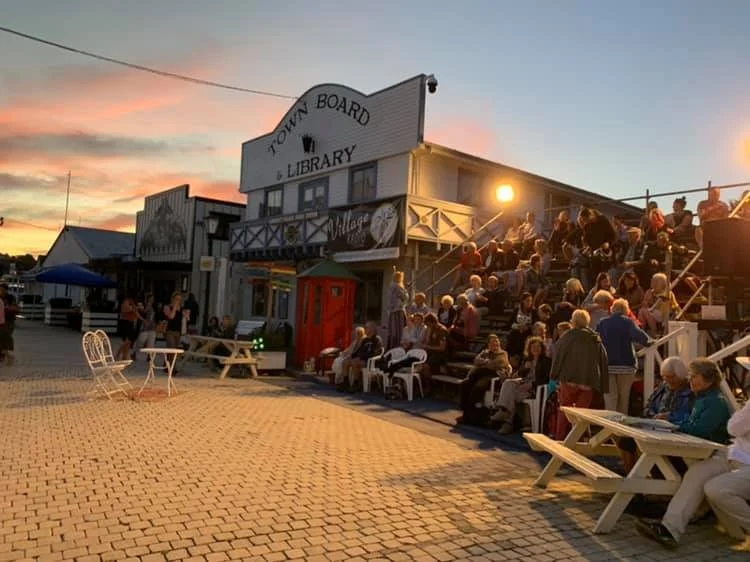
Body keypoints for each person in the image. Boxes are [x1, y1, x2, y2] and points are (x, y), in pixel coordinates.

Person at [635, 358, 734, 549]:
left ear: (708, 379)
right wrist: (674, 423)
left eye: (695, 376)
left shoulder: (716, 402)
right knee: (689, 471)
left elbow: (701, 429)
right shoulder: (703, 398)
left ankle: (670, 528)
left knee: (694, 474)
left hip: (720, 454)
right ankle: (672, 525)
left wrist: (676, 426)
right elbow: (691, 423)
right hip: (704, 452)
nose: (690, 380)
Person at [617, 357, 693, 472]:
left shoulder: (691, 391)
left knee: (651, 449)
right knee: (625, 441)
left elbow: (690, 415)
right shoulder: (663, 387)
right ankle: (631, 475)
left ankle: (643, 475)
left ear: (681, 375)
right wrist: (653, 415)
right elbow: (649, 405)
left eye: (671, 377)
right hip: (656, 427)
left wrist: (669, 417)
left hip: (676, 432)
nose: (668, 380)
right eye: (665, 377)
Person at [551, 309, 610, 440]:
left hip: (568, 379)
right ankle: (578, 439)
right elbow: (603, 360)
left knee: (564, 410)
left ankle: (559, 437)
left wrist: (554, 375)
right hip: (588, 381)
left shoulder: (567, 337)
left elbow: (558, 356)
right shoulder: (595, 338)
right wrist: (603, 384)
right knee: (582, 414)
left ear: (573, 321)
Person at [596, 299, 652, 414]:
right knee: (623, 397)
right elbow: (641, 337)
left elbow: (596, 339)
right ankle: (621, 421)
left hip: (607, 364)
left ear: (612, 309)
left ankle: (610, 421)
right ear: (626, 310)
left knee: (610, 396)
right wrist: (649, 341)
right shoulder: (628, 322)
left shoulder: (603, 323)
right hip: (626, 364)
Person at [491, 337, 551, 434]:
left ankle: (506, 419)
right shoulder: (527, 359)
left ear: (542, 348)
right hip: (523, 383)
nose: (535, 349)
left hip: (534, 388)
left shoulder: (546, 361)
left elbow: (545, 379)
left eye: (538, 347)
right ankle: (505, 414)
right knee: (508, 383)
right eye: (533, 347)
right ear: (529, 349)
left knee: (512, 394)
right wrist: (525, 368)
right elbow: (520, 374)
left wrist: (532, 385)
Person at [457, 334, 511, 426]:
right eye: (493, 343)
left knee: (478, 387)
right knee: (465, 384)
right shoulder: (485, 352)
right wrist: (486, 362)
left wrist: (484, 362)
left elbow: (497, 364)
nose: (495, 344)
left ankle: (468, 416)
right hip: (479, 373)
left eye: (497, 342)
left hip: (491, 375)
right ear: (489, 345)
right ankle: (466, 411)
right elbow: (476, 360)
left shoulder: (503, 353)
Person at [341, 321, 383, 391]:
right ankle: (346, 383)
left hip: (369, 361)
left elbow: (377, 353)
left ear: (372, 329)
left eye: (367, 327)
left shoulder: (377, 339)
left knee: (355, 362)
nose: (365, 329)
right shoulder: (365, 340)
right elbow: (359, 351)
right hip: (360, 359)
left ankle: (356, 383)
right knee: (345, 362)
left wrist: (362, 357)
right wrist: (351, 356)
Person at [419, 313, 448, 395]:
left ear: (432, 322)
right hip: (432, 353)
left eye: (428, 324)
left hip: (441, 354)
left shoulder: (442, 330)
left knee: (426, 367)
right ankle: (430, 383)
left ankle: (430, 386)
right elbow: (428, 342)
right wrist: (428, 333)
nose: (427, 326)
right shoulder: (431, 329)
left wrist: (427, 347)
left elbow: (442, 348)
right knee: (420, 365)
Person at [387, 271, 409, 349]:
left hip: (395, 310)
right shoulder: (396, 286)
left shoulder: (394, 286)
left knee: (396, 330)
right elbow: (404, 297)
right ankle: (397, 345)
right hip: (397, 310)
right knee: (398, 330)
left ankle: (395, 345)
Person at [116, 294, 141, 361]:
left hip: (131, 322)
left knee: (129, 341)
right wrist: (136, 308)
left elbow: (135, 313)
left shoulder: (132, 301)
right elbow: (126, 310)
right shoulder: (127, 301)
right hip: (126, 322)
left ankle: (124, 356)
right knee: (127, 341)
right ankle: (118, 354)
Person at [132, 294, 157, 359]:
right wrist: (143, 319)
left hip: (152, 326)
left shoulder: (153, 306)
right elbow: (139, 311)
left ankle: (149, 355)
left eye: (152, 299)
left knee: (151, 341)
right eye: (150, 298)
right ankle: (134, 353)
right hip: (145, 326)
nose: (152, 300)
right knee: (141, 341)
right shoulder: (145, 305)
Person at [0, 283, 18, 365]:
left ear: (6, 290)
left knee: (6, 337)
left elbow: (15, 308)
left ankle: (7, 356)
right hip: (1, 321)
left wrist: (8, 308)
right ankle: (5, 356)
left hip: (8, 321)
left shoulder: (10, 298)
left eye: (2, 289)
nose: (1, 291)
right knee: (2, 339)